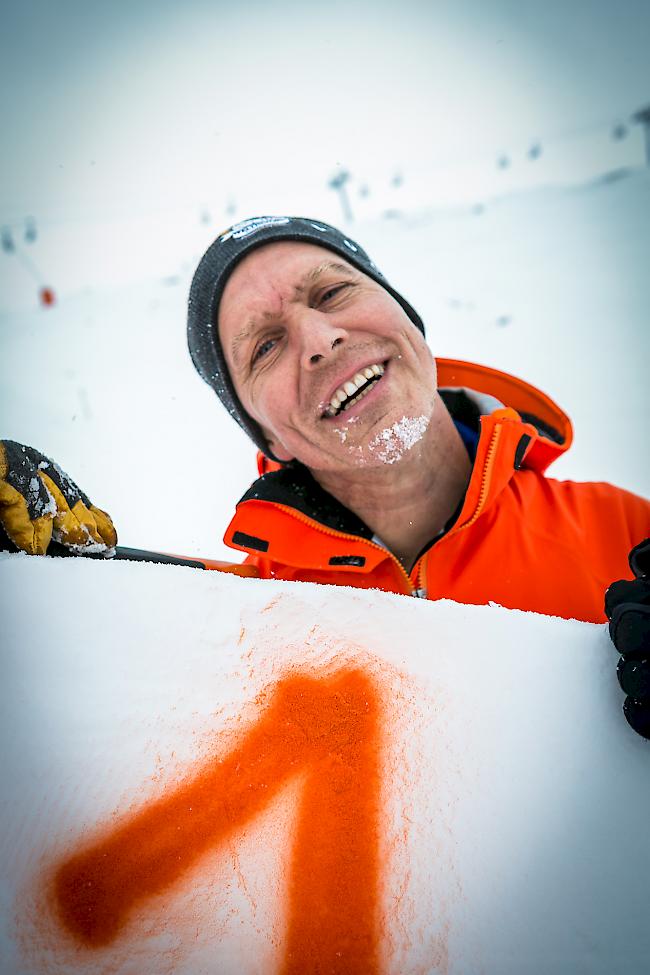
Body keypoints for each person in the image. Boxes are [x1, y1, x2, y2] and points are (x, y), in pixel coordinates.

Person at [1, 216, 649, 735]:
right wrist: (51, 594)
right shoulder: (239, 628)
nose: (317, 338)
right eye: (265, 345)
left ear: (406, 316)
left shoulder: (627, 533)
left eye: (333, 292)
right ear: (268, 437)